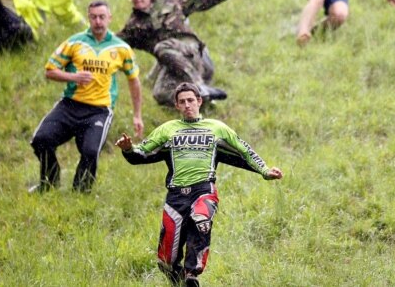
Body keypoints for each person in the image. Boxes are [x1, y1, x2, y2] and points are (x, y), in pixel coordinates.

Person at [115, 82, 282, 287]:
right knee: (166, 261)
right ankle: (177, 279)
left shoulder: (217, 128)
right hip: (176, 196)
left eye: (191, 100)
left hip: (204, 191)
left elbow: (244, 150)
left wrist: (265, 170)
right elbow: (141, 152)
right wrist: (128, 149)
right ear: (176, 105)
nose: (187, 105)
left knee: (201, 219)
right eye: (182, 101)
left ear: (199, 101)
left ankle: (191, 274)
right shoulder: (167, 129)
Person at [30, 0, 143, 193]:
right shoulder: (75, 42)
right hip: (70, 105)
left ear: (109, 18)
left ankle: (80, 194)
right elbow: (50, 71)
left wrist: (137, 115)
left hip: (99, 111)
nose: (98, 21)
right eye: (93, 17)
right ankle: (49, 182)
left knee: (90, 152)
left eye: (102, 17)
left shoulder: (121, 48)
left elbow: (134, 80)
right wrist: (73, 76)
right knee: (41, 140)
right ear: (88, 17)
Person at [117, 0, 244, 107]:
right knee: (160, 93)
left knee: (161, 47)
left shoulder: (171, 2)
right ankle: (202, 100)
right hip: (173, 62)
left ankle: (198, 86)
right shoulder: (133, 26)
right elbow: (114, 44)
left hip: (194, 53)